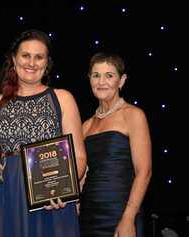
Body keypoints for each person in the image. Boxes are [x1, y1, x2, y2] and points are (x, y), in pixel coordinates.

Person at [0, 29, 86, 237]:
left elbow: (78, 155)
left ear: (46, 63)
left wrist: (64, 190)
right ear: (14, 60)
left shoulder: (63, 99)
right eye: (25, 55)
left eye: (39, 57)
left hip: (51, 202)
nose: (31, 63)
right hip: (6, 198)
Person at [79, 52, 152, 237]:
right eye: (96, 75)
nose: (101, 81)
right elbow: (82, 173)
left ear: (122, 80)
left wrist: (128, 218)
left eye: (109, 75)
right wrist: (74, 204)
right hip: (88, 214)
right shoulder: (85, 126)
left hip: (120, 211)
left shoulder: (133, 115)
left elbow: (144, 172)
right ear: (89, 79)